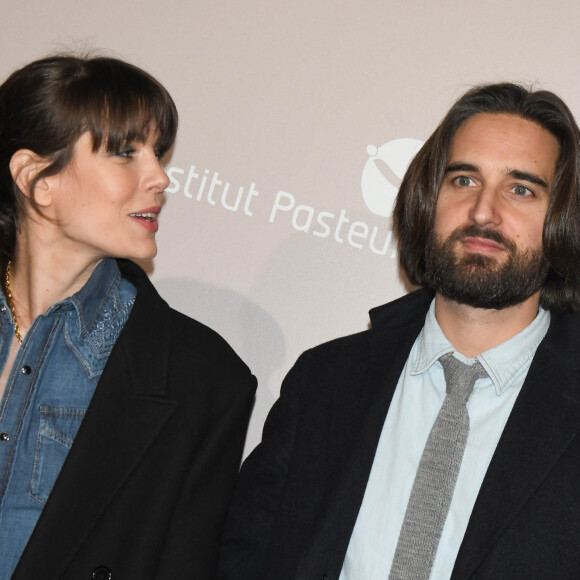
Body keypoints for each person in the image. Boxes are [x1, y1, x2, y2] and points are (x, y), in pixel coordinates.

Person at [219, 82, 580, 580]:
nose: (482, 212)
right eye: (463, 181)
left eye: (521, 189)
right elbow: (243, 558)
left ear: (563, 217)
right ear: (427, 198)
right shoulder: (325, 381)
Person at [0, 54, 256, 580]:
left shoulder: (205, 379)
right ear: (36, 179)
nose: (160, 177)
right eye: (125, 152)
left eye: (158, 153)